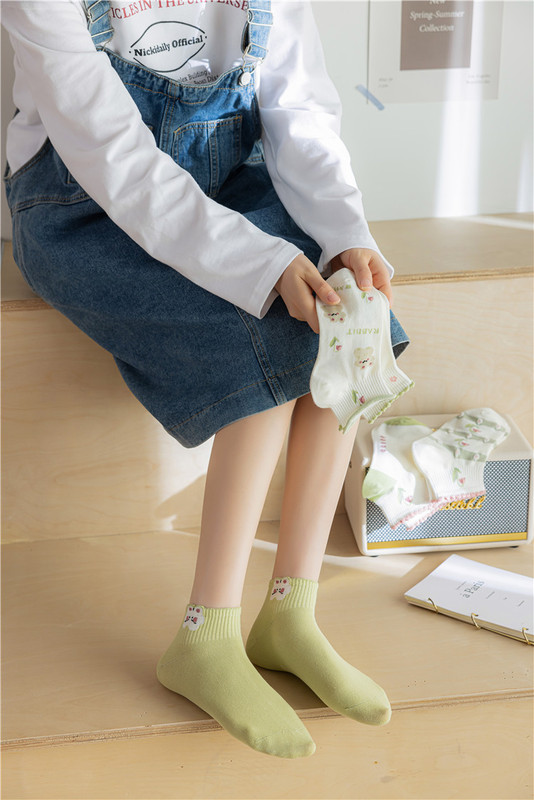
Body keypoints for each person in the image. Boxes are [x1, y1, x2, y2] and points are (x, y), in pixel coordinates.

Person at [2, 0, 409, 758]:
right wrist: (259, 264)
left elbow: (297, 107)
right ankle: (206, 632)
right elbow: (112, 156)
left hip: (229, 185)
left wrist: (343, 234)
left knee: (349, 317)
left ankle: (291, 612)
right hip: (81, 203)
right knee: (262, 337)